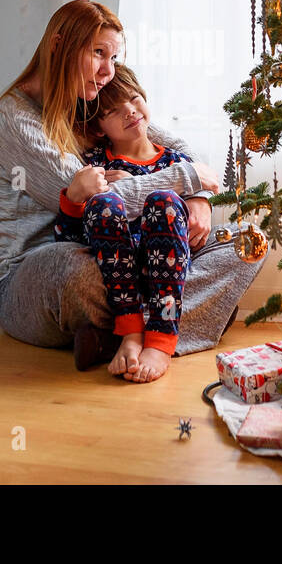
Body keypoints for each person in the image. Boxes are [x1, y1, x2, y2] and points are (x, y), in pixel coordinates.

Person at [0, 0, 263, 376]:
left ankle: (119, 338)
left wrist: (199, 198)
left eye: (113, 58)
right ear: (59, 44)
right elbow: (98, 200)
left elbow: (174, 147)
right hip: (41, 273)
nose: (107, 72)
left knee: (247, 243)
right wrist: (188, 178)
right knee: (78, 271)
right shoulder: (14, 119)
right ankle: (183, 322)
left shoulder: (90, 101)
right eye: (99, 54)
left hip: (122, 258)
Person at [53, 64, 193, 381]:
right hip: (118, 270)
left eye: (133, 99)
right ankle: (130, 330)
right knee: (103, 202)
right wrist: (73, 198)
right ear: (100, 128)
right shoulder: (96, 165)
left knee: (165, 201)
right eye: (114, 111)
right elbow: (66, 240)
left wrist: (135, 186)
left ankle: (161, 338)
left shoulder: (176, 162)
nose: (129, 111)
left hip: (166, 263)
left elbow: (195, 218)